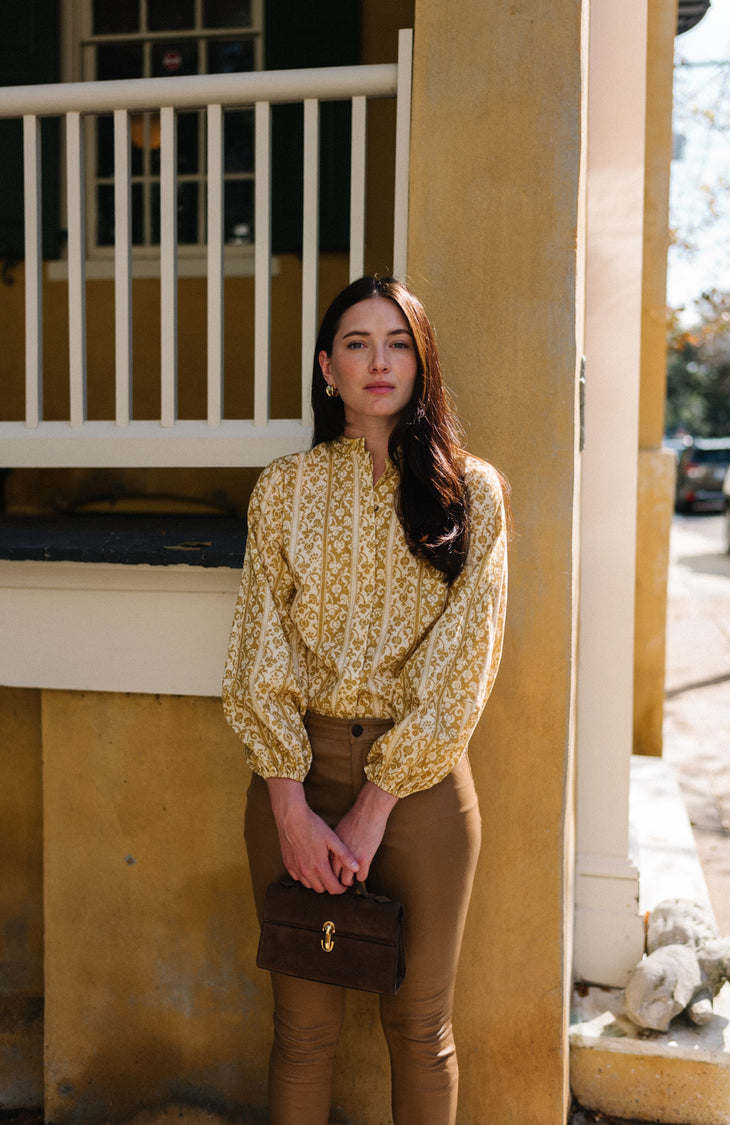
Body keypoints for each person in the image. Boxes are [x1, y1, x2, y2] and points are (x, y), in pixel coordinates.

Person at [222, 275, 508, 1125]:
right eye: (356, 343)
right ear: (326, 368)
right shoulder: (284, 489)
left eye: (397, 343)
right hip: (296, 775)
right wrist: (289, 806)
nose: (378, 361)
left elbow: (468, 662)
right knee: (302, 1031)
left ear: (422, 364)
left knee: (420, 1028)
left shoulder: (472, 491)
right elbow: (255, 649)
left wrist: (376, 805)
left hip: (420, 793)